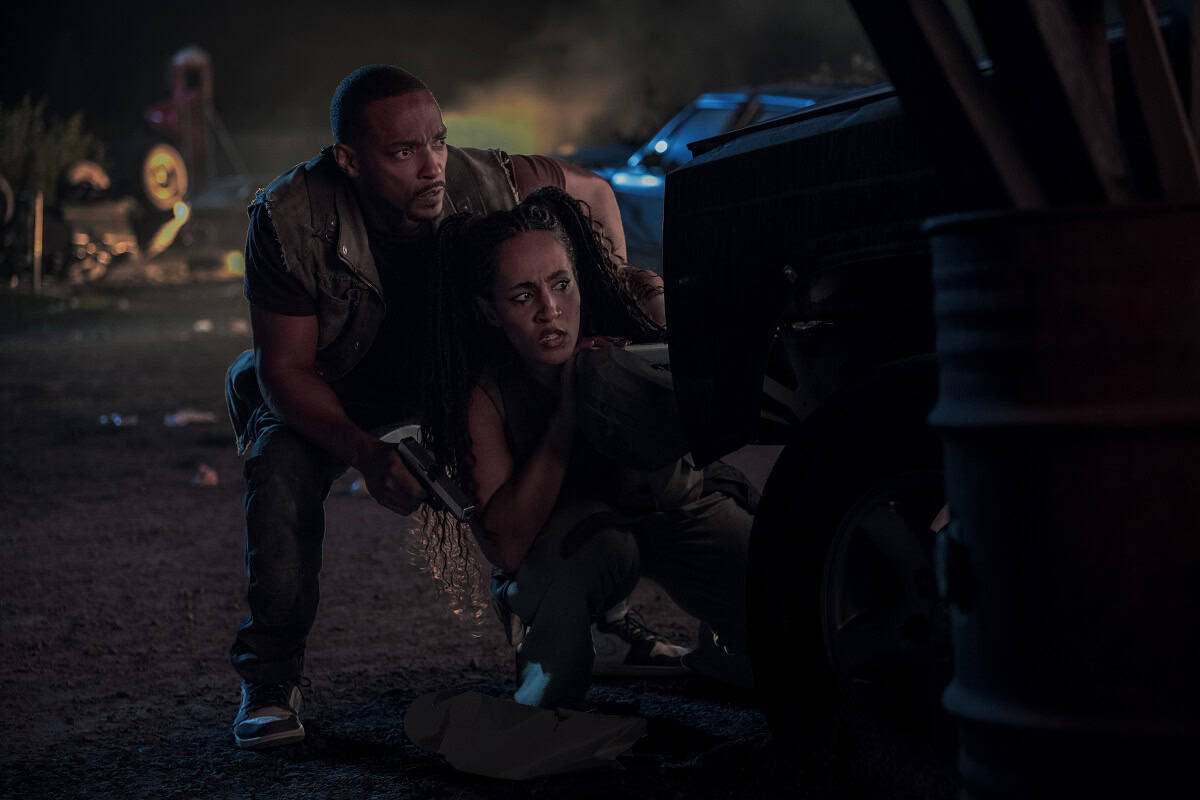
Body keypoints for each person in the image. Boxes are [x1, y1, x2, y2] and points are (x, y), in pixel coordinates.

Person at [224, 64, 667, 750]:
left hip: (449, 377)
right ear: (349, 160)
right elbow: (284, 370)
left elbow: (594, 192)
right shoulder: (289, 218)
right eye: (404, 151)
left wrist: (607, 295)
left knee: (574, 403)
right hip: (337, 387)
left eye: (438, 140)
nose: (432, 166)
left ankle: (602, 620)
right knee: (281, 470)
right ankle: (271, 678)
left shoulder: (488, 180)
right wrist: (366, 453)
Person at [422, 187, 752, 709]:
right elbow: (505, 546)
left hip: (668, 513)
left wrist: (623, 380)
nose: (550, 310)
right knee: (584, 553)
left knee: (776, 587)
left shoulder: (631, 328)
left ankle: (730, 649)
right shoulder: (487, 396)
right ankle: (548, 700)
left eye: (561, 285)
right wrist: (567, 417)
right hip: (581, 543)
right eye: (523, 296)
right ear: (489, 311)